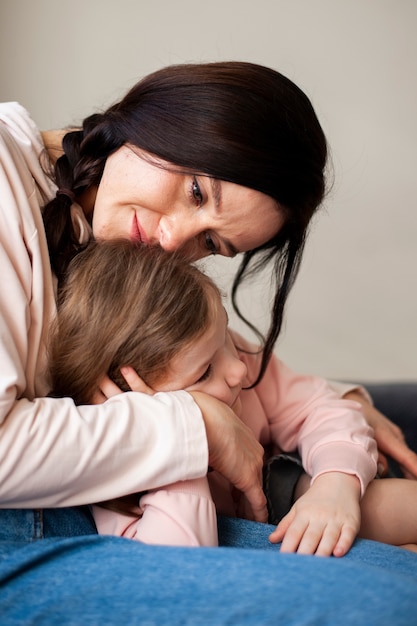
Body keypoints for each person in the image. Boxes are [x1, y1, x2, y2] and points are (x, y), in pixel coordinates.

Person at [1, 61, 417, 623]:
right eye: (196, 191)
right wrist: (193, 425)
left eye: (212, 243)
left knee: (397, 415)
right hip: (55, 514)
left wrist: (335, 404)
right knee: (393, 594)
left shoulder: (102, 223)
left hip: (197, 467)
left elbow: (202, 348)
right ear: (161, 120)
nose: (171, 242)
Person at [49, 239, 417, 556]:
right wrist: (177, 442)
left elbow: (319, 407)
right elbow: (177, 567)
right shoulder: (115, 479)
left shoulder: (240, 362)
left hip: (288, 488)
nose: (239, 370)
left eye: (227, 335)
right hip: (234, 550)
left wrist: (335, 485)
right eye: (205, 372)